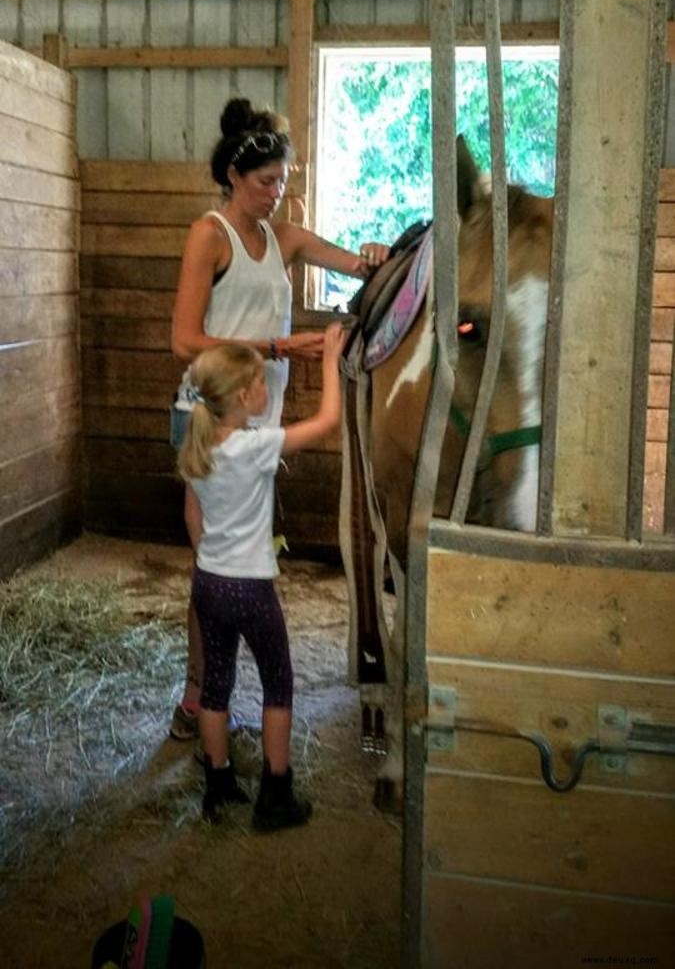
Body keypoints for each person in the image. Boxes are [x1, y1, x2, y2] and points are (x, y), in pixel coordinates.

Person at [169, 97, 389, 740]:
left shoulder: (282, 237)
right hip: (208, 414)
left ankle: (209, 697)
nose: (276, 195)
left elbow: (352, 263)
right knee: (214, 562)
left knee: (238, 559)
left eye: (284, 184)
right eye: (266, 183)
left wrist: (371, 253)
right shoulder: (211, 234)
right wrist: (272, 348)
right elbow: (183, 339)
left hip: (256, 417)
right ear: (235, 177)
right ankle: (196, 696)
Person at [177, 322, 346, 830]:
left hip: (209, 582)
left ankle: (219, 783)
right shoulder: (254, 448)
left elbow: (194, 520)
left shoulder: (198, 451)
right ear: (244, 397)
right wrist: (331, 362)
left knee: (216, 685)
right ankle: (275, 795)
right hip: (251, 587)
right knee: (278, 682)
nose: (267, 389)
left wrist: (214, 557)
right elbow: (328, 420)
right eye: (260, 384)